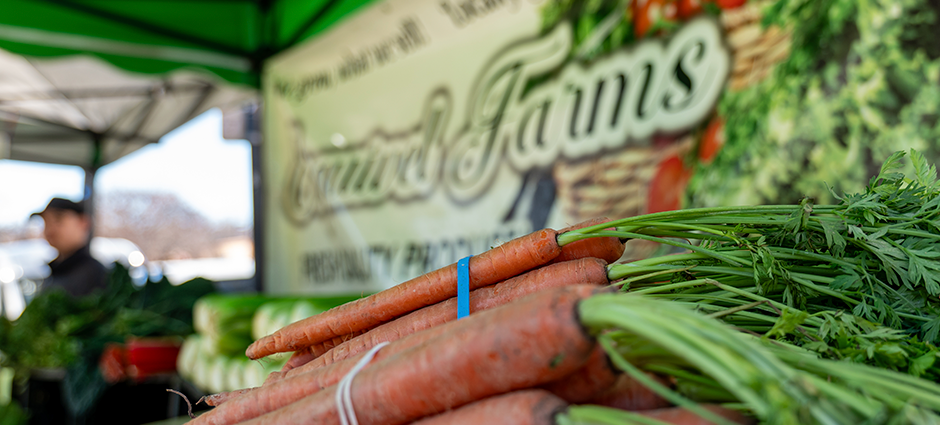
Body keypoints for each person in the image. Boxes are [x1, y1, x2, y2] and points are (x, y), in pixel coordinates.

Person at [31, 197, 108, 297]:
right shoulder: (55, 271)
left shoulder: (96, 275)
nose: (50, 229)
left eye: (58, 220)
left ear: (83, 223)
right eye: (46, 222)